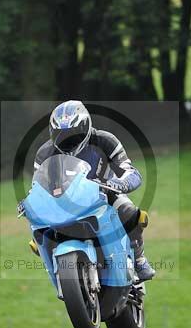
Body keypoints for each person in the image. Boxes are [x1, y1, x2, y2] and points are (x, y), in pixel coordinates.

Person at [32, 100, 155, 282]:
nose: (68, 140)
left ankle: (139, 259)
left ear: (86, 126)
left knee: (129, 211)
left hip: (105, 194)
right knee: (39, 228)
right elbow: (38, 185)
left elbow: (131, 171)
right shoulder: (44, 153)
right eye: (61, 135)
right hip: (64, 203)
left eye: (73, 134)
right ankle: (56, 271)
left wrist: (119, 184)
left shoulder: (105, 140)